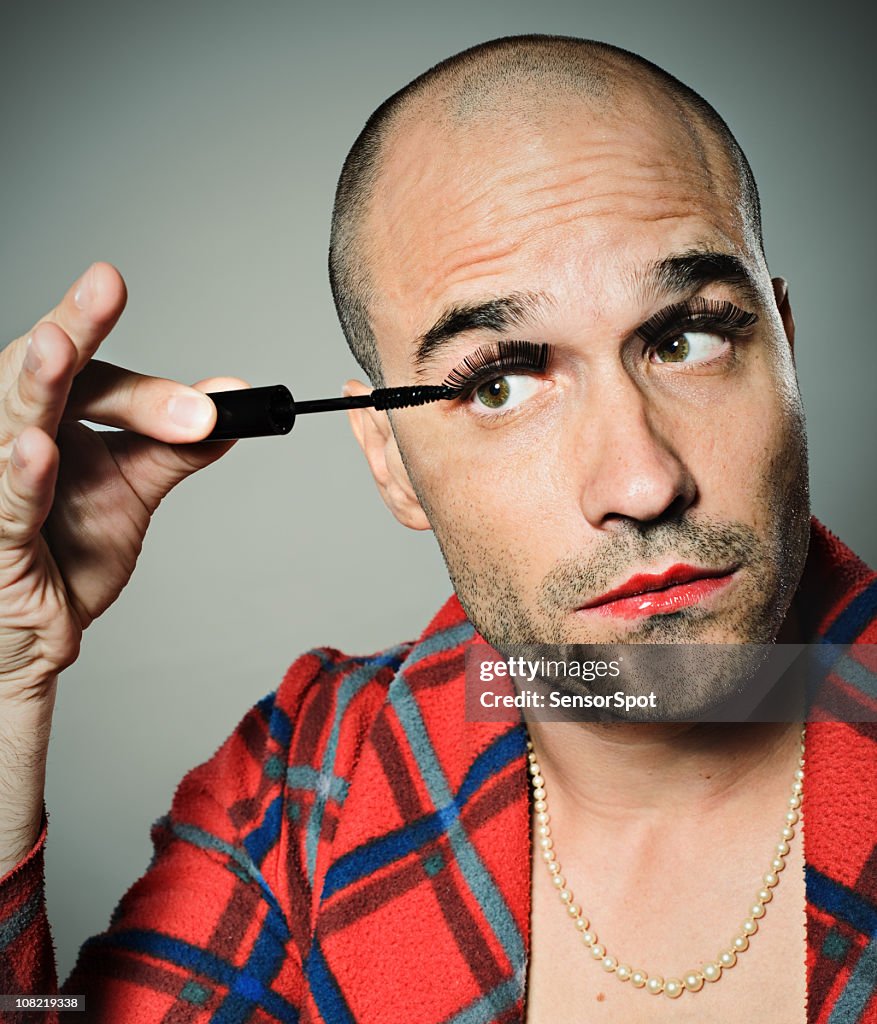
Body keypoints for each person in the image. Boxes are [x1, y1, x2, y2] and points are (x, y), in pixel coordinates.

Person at [0, 33, 874, 1024]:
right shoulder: (303, 792)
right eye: (498, 384)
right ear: (390, 461)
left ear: (785, 354)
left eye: (685, 338)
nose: (640, 480)